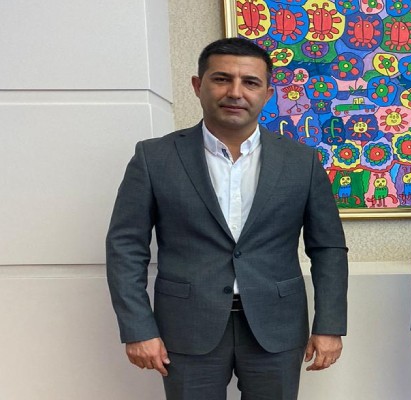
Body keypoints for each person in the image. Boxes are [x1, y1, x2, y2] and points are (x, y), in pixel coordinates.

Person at [106, 37, 348, 400]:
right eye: (221, 79)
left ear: (267, 94)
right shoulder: (154, 158)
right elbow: (126, 247)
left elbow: (328, 248)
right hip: (186, 327)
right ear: (197, 85)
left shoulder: (302, 162)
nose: (236, 92)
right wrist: (138, 328)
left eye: (250, 82)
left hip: (276, 326)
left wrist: (329, 325)